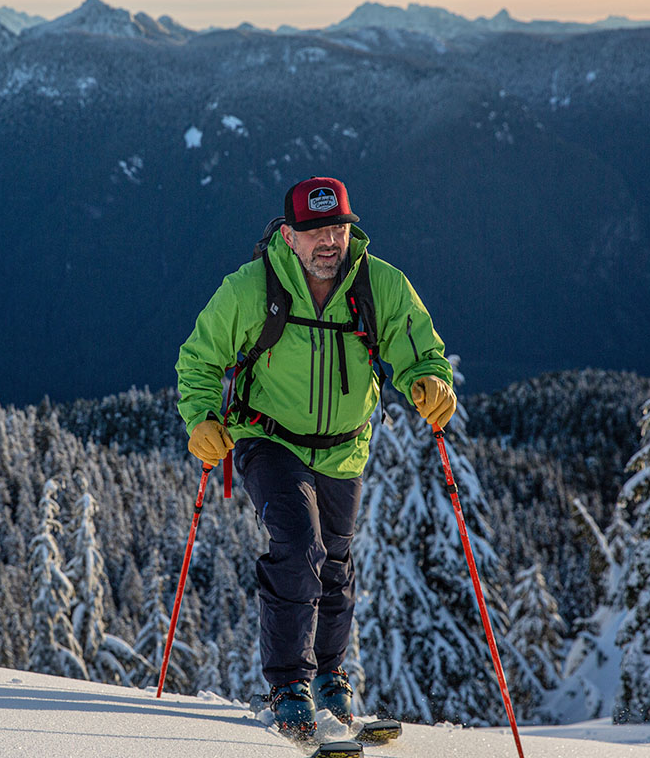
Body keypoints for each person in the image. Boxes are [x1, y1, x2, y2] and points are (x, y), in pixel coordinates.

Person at [175, 176, 456, 740]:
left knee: (335, 564)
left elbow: (419, 349)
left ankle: (330, 678)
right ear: (288, 235)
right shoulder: (252, 289)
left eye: (337, 228)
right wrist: (202, 417)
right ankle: (287, 686)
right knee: (299, 546)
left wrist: (429, 380)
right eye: (314, 231)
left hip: (343, 447)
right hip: (267, 438)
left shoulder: (380, 287)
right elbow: (200, 358)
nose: (328, 241)